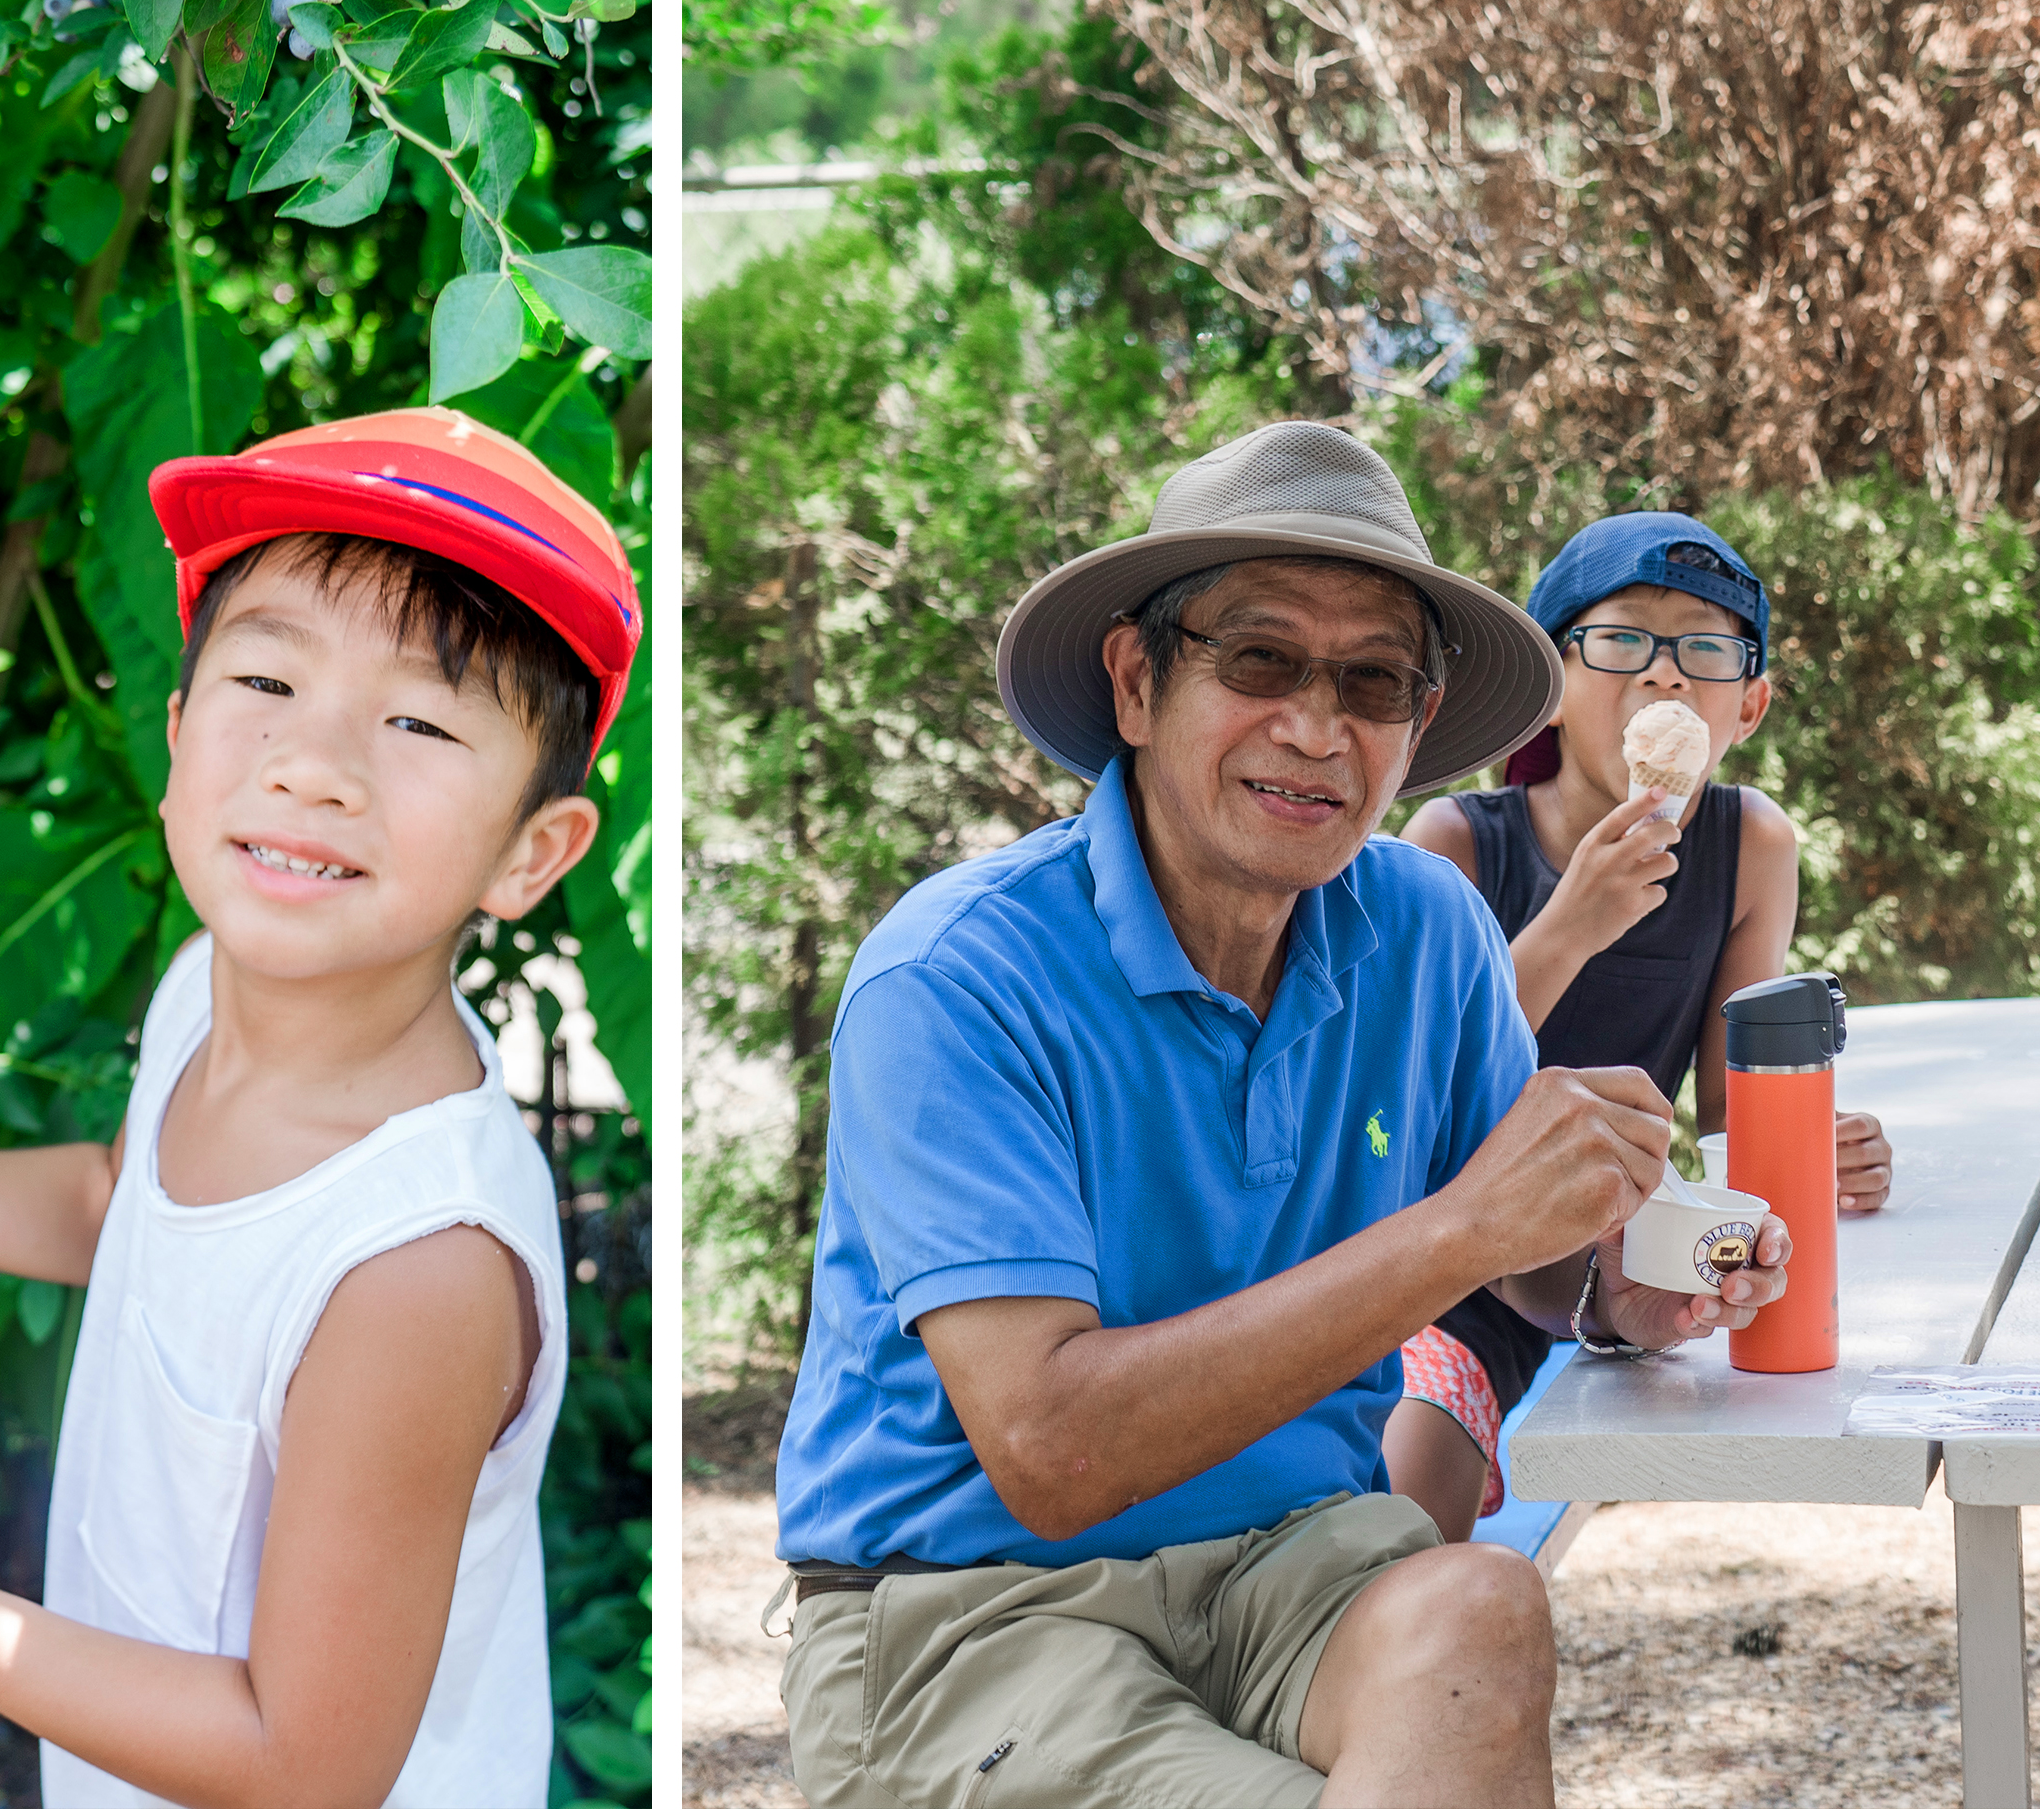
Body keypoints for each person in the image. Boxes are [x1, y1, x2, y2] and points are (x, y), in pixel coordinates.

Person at [769, 422, 1797, 1809]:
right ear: (1136, 681)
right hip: (972, 1607)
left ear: (1418, 728)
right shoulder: (956, 977)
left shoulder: (1423, 927)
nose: (1319, 729)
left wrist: (1633, 1289)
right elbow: (1056, 1455)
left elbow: (1528, 1261)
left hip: (1288, 1562)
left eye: (1373, 681)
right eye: (1259, 662)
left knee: (1479, 1612)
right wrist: (1459, 1231)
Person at [0, 410, 642, 1809]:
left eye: (418, 718)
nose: (313, 761)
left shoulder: (417, 1273)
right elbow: (144, 1208)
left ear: (533, 852)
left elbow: (304, 1765)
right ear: (175, 743)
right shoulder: (206, 987)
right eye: (265, 680)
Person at [1388, 515, 1895, 1541]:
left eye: (1705, 651)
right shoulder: (1455, 847)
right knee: (1385, 1519)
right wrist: (1573, 922)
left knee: (1401, 1517)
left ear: (1747, 704)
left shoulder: (1748, 843)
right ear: (1554, 684)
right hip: (1425, 1261)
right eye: (1621, 642)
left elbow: (1725, 1116)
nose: (1665, 680)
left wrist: (1808, 1140)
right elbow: (1411, 1102)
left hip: (1575, 1275)